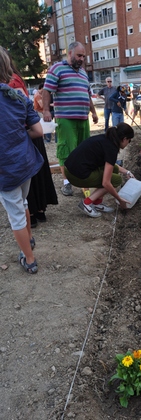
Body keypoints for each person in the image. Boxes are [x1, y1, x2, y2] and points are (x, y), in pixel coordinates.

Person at [0, 46, 44, 274]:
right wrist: (19, 135)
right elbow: (37, 131)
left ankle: (29, 259)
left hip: (4, 170)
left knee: (15, 212)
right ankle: (30, 239)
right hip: (24, 162)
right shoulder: (18, 96)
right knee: (23, 203)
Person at [42, 41, 99, 197]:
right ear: (70, 53)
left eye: (84, 56)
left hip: (83, 118)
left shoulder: (83, 73)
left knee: (83, 150)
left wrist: (93, 112)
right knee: (66, 150)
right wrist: (46, 110)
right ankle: (67, 183)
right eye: (79, 55)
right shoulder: (57, 68)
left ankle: (82, 181)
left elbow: (87, 94)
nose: (81, 59)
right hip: (66, 118)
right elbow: (47, 91)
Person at [7, 57, 58, 229]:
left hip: (23, 135)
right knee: (34, 175)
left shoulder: (11, 81)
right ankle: (38, 212)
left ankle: (34, 214)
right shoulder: (16, 78)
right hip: (29, 132)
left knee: (29, 178)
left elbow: (17, 111)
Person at [64, 122, 135, 218]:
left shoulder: (105, 139)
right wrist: (120, 199)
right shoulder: (111, 149)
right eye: (129, 140)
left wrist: (127, 172)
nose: (128, 143)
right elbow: (106, 183)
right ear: (124, 138)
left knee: (110, 173)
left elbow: (110, 166)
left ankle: (97, 203)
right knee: (115, 179)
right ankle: (86, 203)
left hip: (70, 169)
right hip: (77, 175)